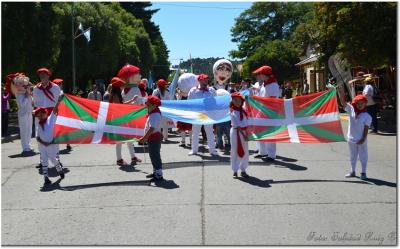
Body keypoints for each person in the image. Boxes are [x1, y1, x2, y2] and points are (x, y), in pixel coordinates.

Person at [338, 86, 372, 180]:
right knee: (352, 155)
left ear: (365, 104)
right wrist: (340, 92)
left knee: (363, 156)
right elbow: (343, 103)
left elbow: (366, 129)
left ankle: (363, 172)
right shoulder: (351, 110)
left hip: (361, 140)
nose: (360, 105)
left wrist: (363, 139)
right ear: (355, 104)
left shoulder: (367, 116)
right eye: (358, 103)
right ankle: (352, 171)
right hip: (351, 138)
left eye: (362, 103)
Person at [108, 76, 140, 166]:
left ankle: (132, 156)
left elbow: (121, 105)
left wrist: (131, 101)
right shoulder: (115, 94)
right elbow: (120, 106)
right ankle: (119, 159)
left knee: (127, 137)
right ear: (117, 86)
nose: (122, 86)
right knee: (121, 140)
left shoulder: (114, 93)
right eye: (120, 85)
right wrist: (131, 102)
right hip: (120, 120)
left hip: (120, 119)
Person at [33, 68, 61, 168]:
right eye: (40, 75)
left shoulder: (55, 87)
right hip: (40, 116)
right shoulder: (36, 88)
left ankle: (57, 159)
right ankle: (42, 160)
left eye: (44, 74)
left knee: (54, 138)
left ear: (49, 75)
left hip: (52, 116)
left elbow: (59, 102)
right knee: (40, 138)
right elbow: (35, 103)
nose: (42, 76)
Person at [117, 64, 143, 165]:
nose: (140, 76)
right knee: (126, 137)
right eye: (138, 74)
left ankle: (131, 156)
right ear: (131, 77)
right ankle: (121, 158)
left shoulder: (123, 90)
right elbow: (140, 104)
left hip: (123, 117)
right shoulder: (136, 89)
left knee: (126, 138)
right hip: (131, 117)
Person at [34, 101, 65, 185]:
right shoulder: (38, 125)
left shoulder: (51, 118)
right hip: (43, 146)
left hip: (52, 145)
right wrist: (43, 143)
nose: (40, 117)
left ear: (45, 113)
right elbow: (37, 137)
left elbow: (54, 110)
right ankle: (46, 178)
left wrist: (58, 102)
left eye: (41, 115)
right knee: (44, 161)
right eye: (38, 116)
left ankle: (59, 170)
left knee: (54, 160)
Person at [253, 65, 280, 161]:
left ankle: (271, 155)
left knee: (270, 134)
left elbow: (271, 100)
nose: (259, 76)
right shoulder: (266, 84)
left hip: (269, 112)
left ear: (265, 75)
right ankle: (262, 152)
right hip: (262, 111)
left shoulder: (273, 85)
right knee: (258, 131)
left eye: (260, 74)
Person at [188, 74, 218, 156]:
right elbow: (189, 102)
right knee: (195, 132)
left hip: (208, 114)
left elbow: (216, 101)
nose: (206, 81)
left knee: (210, 132)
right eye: (204, 79)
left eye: (207, 79)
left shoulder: (212, 90)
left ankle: (212, 150)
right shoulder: (193, 91)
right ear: (200, 80)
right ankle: (194, 150)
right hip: (197, 114)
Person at [139, 95, 164, 181]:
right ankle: (155, 171)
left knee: (155, 155)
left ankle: (159, 174)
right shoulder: (153, 113)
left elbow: (152, 128)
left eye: (148, 105)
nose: (147, 106)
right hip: (152, 137)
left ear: (154, 105)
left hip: (154, 137)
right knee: (152, 155)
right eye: (146, 104)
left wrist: (144, 138)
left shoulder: (155, 115)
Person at [230, 92, 250, 178]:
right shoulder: (233, 111)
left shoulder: (243, 111)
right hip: (236, 133)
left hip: (244, 132)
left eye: (240, 100)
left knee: (245, 151)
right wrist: (244, 135)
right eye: (236, 100)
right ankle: (235, 170)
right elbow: (237, 125)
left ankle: (243, 169)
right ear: (233, 101)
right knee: (235, 150)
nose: (238, 102)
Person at [13, 75, 34, 154]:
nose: (25, 86)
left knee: (29, 130)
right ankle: (25, 147)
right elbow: (22, 105)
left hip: (29, 113)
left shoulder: (26, 93)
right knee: (24, 131)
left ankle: (28, 144)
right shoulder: (18, 94)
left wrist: (29, 94)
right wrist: (27, 96)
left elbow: (32, 102)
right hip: (23, 114)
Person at [53, 78, 72, 152]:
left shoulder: (53, 91)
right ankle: (67, 143)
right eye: (60, 84)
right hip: (60, 112)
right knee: (63, 128)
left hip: (57, 112)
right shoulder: (61, 92)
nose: (61, 85)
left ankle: (66, 143)